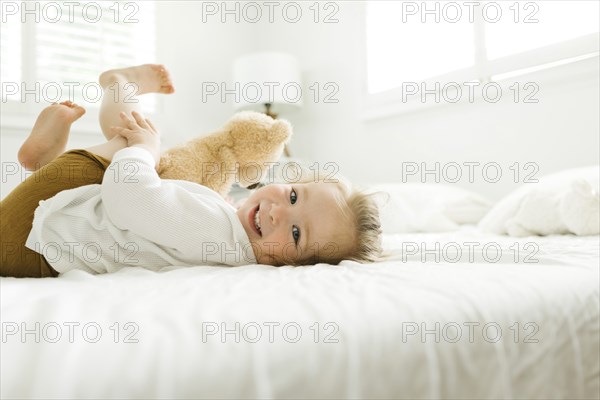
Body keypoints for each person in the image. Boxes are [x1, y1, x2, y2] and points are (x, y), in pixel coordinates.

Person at [0, 65, 382, 278]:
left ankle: (119, 85)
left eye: (297, 233)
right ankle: (42, 163)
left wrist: (145, 151)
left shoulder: (217, 231)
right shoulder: (228, 236)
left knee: (133, 138)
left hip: (32, 233)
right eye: (294, 196)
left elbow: (130, 198)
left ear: (288, 265)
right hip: (34, 239)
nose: (279, 212)